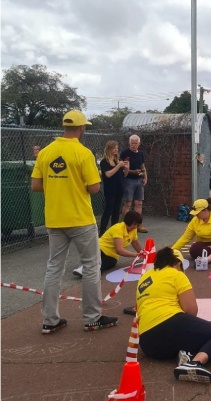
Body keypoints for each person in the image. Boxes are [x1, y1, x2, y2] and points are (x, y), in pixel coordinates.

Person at [31, 109, 118, 334]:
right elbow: (94, 187)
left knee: (54, 268)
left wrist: (58, 183)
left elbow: (36, 185)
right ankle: (92, 318)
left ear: (64, 127)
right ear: (81, 129)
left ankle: (49, 320)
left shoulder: (46, 152)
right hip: (80, 218)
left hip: (54, 218)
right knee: (91, 266)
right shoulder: (83, 153)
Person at [136, 247, 211, 383]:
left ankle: (186, 355)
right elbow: (191, 310)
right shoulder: (176, 274)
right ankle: (194, 363)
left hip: (148, 343)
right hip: (169, 322)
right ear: (178, 263)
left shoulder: (144, 277)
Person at [74, 211, 143, 276]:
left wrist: (143, 253)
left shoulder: (133, 230)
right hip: (100, 248)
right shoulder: (118, 229)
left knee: (102, 267)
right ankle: (84, 267)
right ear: (130, 221)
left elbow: (136, 243)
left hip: (112, 256)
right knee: (98, 262)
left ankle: (87, 268)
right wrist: (136, 255)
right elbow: (120, 250)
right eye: (135, 224)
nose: (136, 226)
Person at [99, 140, 129, 236]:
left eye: (117, 148)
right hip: (110, 189)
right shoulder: (104, 162)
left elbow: (124, 175)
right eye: (114, 148)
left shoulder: (118, 161)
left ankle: (114, 231)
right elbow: (108, 174)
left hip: (119, 189)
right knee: (109, 209)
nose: (116, 150)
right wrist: (118, 166)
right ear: (109, 149)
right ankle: (102, 231)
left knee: (116, 211)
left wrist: (127, 168)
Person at [120, 134, 148, 233]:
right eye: (132, 143)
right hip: (129, 180)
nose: (134, 145)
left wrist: (145, 176)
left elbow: (143, 166)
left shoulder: (140, 153)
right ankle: (125, 225)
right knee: (128, 203)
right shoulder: (124, 153)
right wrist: (133, 171)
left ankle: (138, 225)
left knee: (139, 203)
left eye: (136, 143)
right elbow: (122, 169)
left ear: (139, 144)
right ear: (129, 143)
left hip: (139, 180)